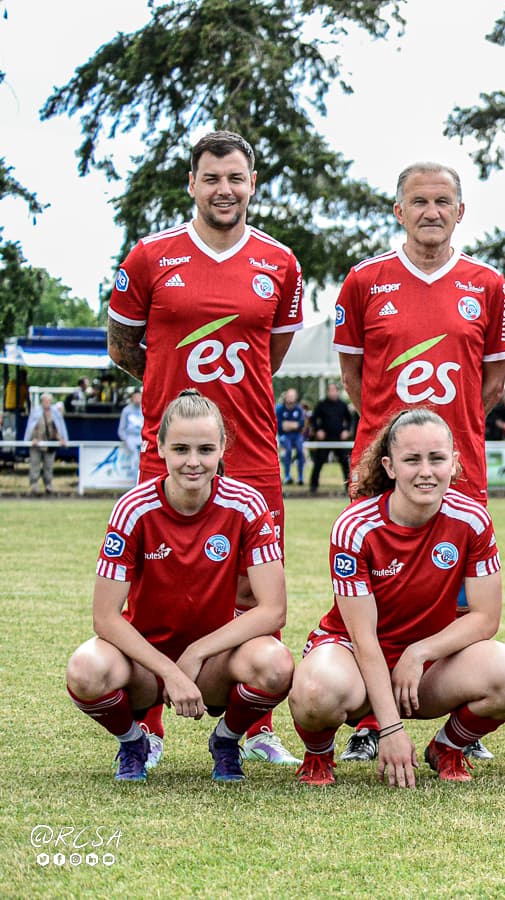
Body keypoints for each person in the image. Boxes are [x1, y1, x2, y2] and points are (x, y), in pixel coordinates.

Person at [106, 130, 304, 766]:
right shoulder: (149, 257)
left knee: (254, 592)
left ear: (252, 184)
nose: (225, 189)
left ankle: (255, 724)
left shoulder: (280, 262)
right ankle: (151, 725)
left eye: (236, 178)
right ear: (192, 184)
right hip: (168, 450)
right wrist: (176, 403)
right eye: (212, 178)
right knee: (157, 588)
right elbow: (122, 347)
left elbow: (269, 356)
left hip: (251, 452)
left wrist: (225, 415)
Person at [332, 161, 505, 762]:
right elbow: (358, 382)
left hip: (457, 471)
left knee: (457, 598)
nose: (431, 211)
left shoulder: (487, 285)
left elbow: (490, 385)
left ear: (460, 211)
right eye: (418, 201)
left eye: (443, 201)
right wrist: (398, 448)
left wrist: (442, 447)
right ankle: (368, 724)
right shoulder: (364, 281)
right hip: (384, 473)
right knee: (377, 599)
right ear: (399, 211)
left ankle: (455, 727)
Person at [287, 408, 505, 786]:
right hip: (353, 653)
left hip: (424, 663)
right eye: (412, 460)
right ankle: (318, 756)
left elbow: (485, 618)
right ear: (389, 466)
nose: (426, 471)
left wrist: (420, 652)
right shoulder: (354, 526)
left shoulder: (473, 519)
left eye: (436, 459)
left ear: (453, 463)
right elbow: (364, 638)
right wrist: (389, 729)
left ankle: (447, 748)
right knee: (316, 691)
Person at [65, 390, 293, 783]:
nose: (193, 462)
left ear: (223, 447)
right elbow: (104, 617)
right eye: (181, 448)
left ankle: (227, 740)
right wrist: (169, 671)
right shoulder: (133, 508)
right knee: (85, 670)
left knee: (276, 664)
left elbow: (273, 610)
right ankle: (132, 741)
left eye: (206, 449)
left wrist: (195, 653)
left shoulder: (247, 505)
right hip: (143, 663)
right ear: (160, 447)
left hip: (214, 663)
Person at [309, 382, 353, 496]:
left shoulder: (342, 405)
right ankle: (313, 487)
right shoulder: (321, 405)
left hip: (339, 439)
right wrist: (318, 430)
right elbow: (313, 419)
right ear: (328, 392)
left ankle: (349, 487)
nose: (333, 392)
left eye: (334, 390)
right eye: (330, 390)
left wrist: (346, 430)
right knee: (318, 463)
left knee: (345, 463)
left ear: (337, 391)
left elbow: (350, 420)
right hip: (325, 440)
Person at [25, 391, 69, 496]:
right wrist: (32, 439)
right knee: (35, 464)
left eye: (49, 401)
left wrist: (62, 439)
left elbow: (59, 428)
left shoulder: (55, 413)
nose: (47, 403)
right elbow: (30, 427)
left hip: (50, 444)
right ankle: (34, 486)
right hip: (36, 444)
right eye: (45, 401)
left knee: (48, 466)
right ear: (42, 402)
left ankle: (48, 486)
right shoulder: (35, 412)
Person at [277, 387, 307, 485]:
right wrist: (293, 425)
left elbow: (301, 425)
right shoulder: (280, 409)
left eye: (293, 396)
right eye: (289, 396)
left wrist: (289, 425)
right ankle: (287, 476)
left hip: (297, 435)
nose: (290, 398)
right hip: (285, 435)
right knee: (288, 451)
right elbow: (281, 426)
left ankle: (300, 477)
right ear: (286, 396)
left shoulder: (298, 409)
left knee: (300, 451)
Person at [118, 388, 143, 458]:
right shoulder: (126, 410)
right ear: (132, 398)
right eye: (136, 397)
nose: (137, 399)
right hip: (130, 437)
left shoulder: (144, 409)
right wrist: (125, 439)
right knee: (134, 455)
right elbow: (121, 429)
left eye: (139, 397)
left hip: (142, 438)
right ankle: (134, 469)